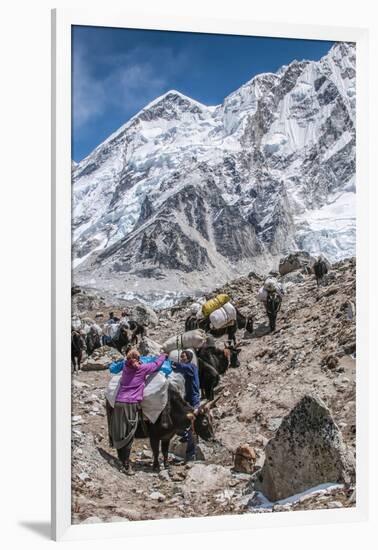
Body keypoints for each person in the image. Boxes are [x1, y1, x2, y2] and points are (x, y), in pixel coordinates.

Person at [109, 348, 168, 475]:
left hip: (118, 402)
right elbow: (156, 365)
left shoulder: (125, 367)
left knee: (121, 431)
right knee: (130, 433)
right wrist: (163, 356)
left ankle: (121, 459)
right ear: (138, 359)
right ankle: (126, 466)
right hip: (130, 403)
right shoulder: (142, 369)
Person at [171, 350, 201, 462]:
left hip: (194, 400)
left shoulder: (191, 367)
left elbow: (179, 367)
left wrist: (169, 363)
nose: (182, 359)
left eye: (183, 357)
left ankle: (191, 453)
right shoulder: (187, 368)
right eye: (181, 357)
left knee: (191, 426)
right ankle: (184, 435)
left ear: (188, 358)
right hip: (187, 399)